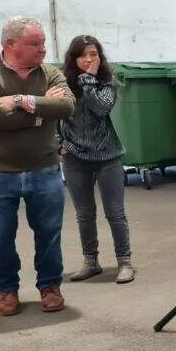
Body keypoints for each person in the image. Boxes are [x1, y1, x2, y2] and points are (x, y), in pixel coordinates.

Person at [0, 16, 75, 315]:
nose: (43, 48)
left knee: (49, 232)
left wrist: (18, 101)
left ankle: (50, 286)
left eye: (42, 43)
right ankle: (6, 290)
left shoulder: (50, 72)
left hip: (44, 168)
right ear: (10, 44)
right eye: (35, 43)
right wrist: (41, 107)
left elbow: (66, 107)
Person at [59, 35, 134, 284]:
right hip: (74, 157)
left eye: (93, 54)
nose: (89, 59)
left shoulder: (106, 82)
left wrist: (89, 80)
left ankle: (125, 262)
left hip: (107, 156)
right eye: (83, 55)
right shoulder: (63, 82)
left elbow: (101, 109)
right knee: (84, 213)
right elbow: (52, 115)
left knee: (115, 212)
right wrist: (60, 144)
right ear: (74, 58)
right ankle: (90, 261)